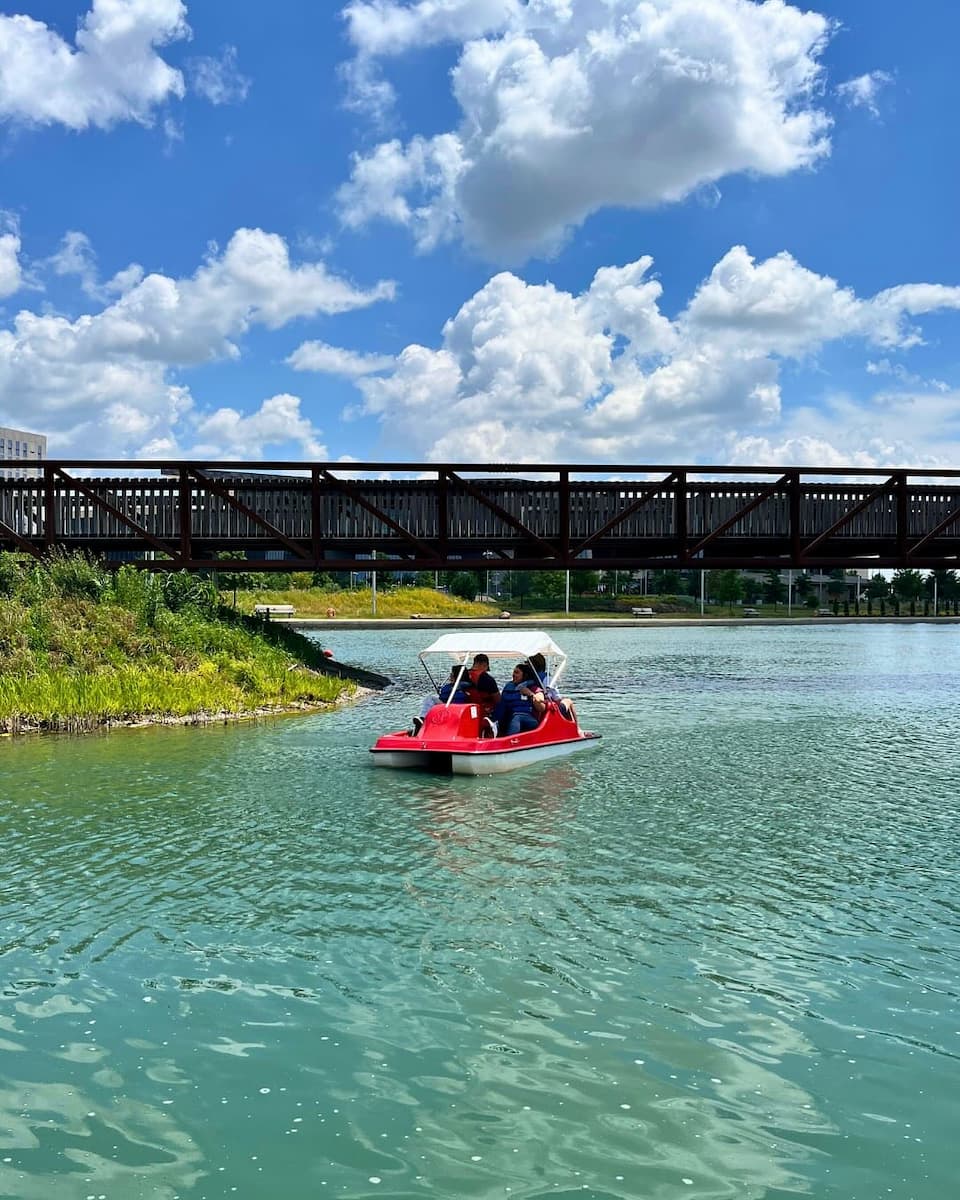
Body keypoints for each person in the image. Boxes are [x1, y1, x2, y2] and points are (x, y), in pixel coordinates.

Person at [409, 654, 499, 737]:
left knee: (430, 699)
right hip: (475, 709)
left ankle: (423, 719)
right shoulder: (486, 679)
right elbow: (498, 700)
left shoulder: (461, 678)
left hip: (452, 708)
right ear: (484, 665)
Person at [482, 662, 545, 737]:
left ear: (525, 675)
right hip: (511, 716)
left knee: (517, 717)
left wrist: (530, 694)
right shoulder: (509, 687)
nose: (513, 675)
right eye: (513, 672)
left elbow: (542, 708)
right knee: (499, 713)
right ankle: (494, 729)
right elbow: (501, 705)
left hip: (529, 719)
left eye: (517, 672)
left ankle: (511, 741)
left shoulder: (533, 688)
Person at [528, 652, 577, 724]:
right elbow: (557, 697)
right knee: (568, 701)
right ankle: (576, 728)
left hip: (535, 705)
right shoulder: (546, 679)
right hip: (548, 708)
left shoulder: (528, 677)